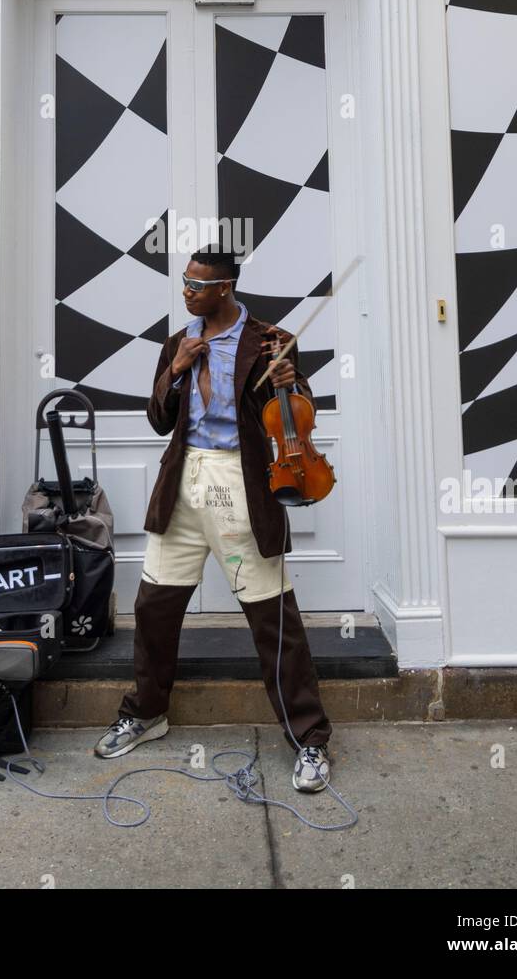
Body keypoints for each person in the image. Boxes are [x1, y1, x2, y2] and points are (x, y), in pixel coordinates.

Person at [94, 245, 333, 792]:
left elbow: (296, 414)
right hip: (183, 481)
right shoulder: (179, 342)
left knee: (272, 618)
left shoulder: (270, 340)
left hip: (240, 483)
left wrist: (288, 380)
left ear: (223, 288)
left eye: (195, 284)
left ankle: (309, 739)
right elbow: (158, 420)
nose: (186, 291)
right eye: (184, 281)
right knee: (154, 606)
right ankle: (148, 712)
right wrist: (175, 374)